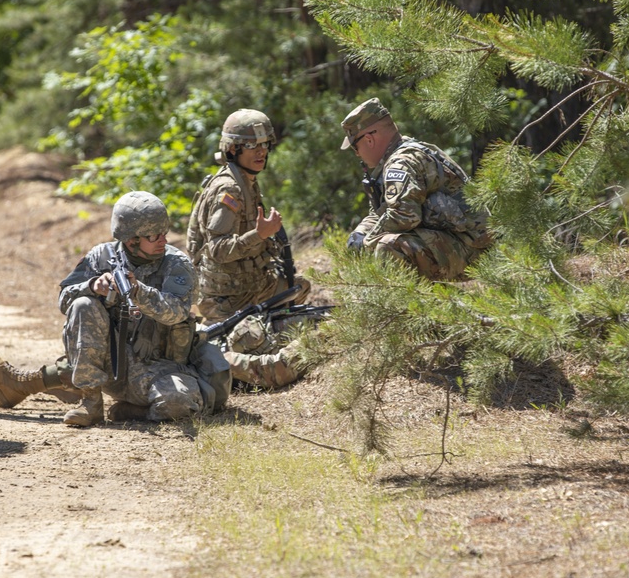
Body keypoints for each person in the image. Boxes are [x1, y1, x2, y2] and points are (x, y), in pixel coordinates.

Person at [0, 191, 231, 426]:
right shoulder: (100, 256)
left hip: (157, 367)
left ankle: (127, 411)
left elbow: (175, 312)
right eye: (154, 236)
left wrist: (139, 292)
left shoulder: (176, 264)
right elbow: (64, 300)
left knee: (180, 403)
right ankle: (90, 402)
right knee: (83, 305)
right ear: (131, 240)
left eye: (164, 233)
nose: (163, 240)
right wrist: (92, 286)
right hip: (108, 362)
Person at [185, 109, 314, 389]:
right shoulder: (228, 190)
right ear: (233, 149)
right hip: (226, 300)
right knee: (257, 340)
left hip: (253, 287)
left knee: (299, 288)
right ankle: (224, 358)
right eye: (252, 146)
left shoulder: (247, 181)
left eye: (265, 144)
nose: (261, 152)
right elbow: (216, 250)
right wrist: (259, 234)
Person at [340, 97, 492, 280]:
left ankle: (406, 308)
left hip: (475, 250)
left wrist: (365, 243)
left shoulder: (401, 163)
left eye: (355, 147)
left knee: (390, 247)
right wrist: (359, 233)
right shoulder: (401, 155)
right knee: (379, 242)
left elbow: (404, 216)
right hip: (459, 242)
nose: (357, 154)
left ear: (369, 140)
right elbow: (381, 213)